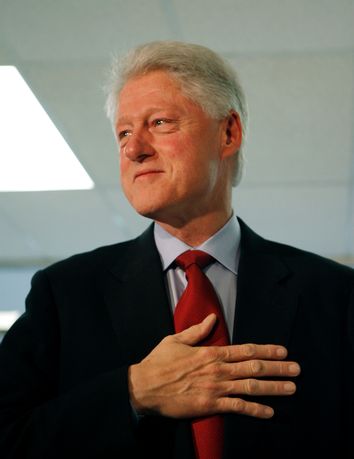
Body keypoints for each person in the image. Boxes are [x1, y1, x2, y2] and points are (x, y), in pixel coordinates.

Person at [0, 41, 353, 459]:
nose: (134, 149)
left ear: (228, 133)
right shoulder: (63, 294)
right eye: (124, 133)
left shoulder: (336, 295)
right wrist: (133, 392)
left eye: (160, 122)